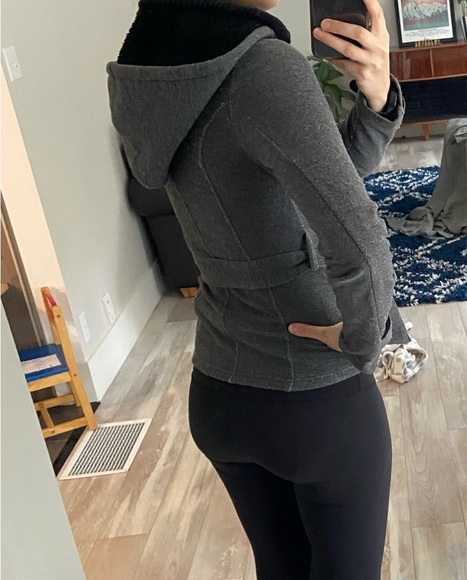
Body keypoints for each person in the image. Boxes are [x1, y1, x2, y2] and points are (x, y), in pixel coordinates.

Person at [107, 0, 406, 577]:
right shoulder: (263, 68)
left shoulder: (154, 63)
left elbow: (307, 192)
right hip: (313, 401)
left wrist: (376, 103)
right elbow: (360, 239)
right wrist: (366, 341)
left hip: (220, 392)